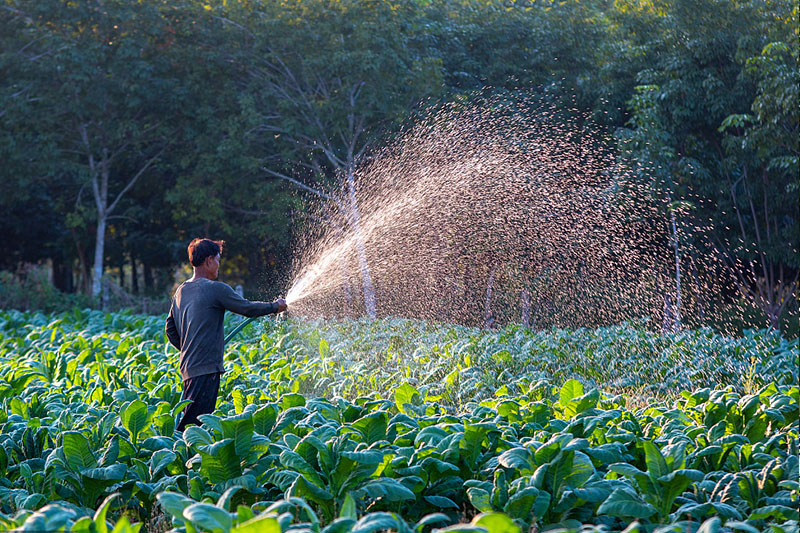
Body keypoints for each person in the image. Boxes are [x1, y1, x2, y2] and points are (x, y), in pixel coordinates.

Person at [165, 238, 287, 432]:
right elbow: (247, 308)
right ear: (208, 260)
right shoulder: (215, 289)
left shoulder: (181, 291)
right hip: (205, 369)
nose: (218, 265)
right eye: (218, 260)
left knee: (194, 422)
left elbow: (170, 328)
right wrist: (275, 306)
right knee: (193, 427)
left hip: (189, 368)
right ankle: (175, 450)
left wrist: (189, 348)